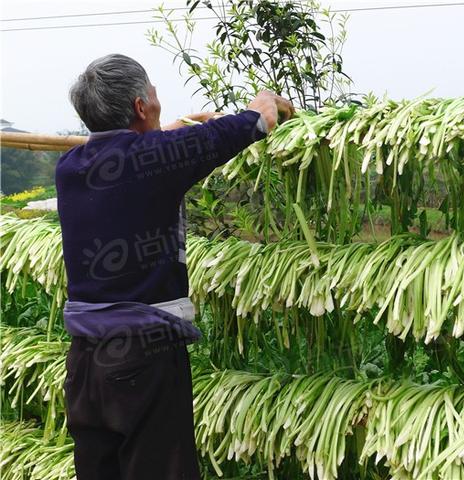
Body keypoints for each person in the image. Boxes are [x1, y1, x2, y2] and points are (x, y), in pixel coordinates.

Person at [56, 53, 294, 480]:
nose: (158, 99)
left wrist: (172, 132)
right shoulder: (158, 158)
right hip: (141, 363)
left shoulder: (70, 167)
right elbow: (255, 121)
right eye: (153, 92)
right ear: (140, 106)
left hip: (86, 366)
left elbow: (134, 156)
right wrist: (265, 104)